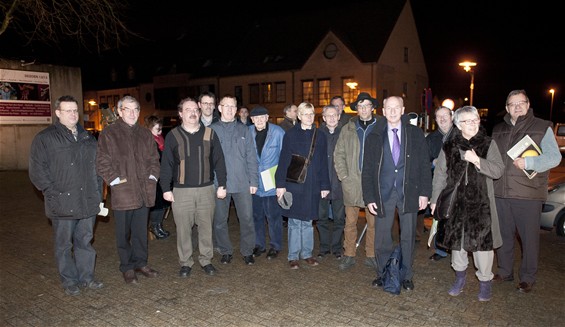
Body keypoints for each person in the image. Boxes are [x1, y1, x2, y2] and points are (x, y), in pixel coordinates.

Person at [29, 95, 104, 296]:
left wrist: (99, 196)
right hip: (62, 202)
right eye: (68, 110)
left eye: (74, 110)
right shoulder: (45, 138)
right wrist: (52, 192)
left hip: (87, 201)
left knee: (85, 241)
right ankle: (69, 280)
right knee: (64, 245)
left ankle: (86, 277)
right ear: (58, 113)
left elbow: (96, 169)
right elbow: (37, 170)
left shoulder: (88, 138)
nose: (72, 114)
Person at [430, 106, 505, 301]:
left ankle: (485, 282)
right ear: (458, 124)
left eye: (475, 120)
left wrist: (477, 160)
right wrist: (435, 200)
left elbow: (498, 170)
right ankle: (460, 278)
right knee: (458, 246)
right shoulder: (449, 146)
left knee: (483, 249)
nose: (473, 124)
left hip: (482, 206)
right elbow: (440, 174)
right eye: (467, 121)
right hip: (456, 205)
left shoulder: (488, 144)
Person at [492, 89, 561, 293]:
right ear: (507, 108)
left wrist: (530, 161)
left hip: (528, 195)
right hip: (501, 193)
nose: (517, 107)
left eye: (521, 103)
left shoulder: (542, 127)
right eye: (513, 104)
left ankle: (528, 278)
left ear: (528, 105)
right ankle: (505, 272)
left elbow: (553, 158)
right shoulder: (498, 129)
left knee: (529, 239)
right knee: (503, 236)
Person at [362, 95, 431, 291]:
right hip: (383, 194)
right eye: (389, 108)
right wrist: (369, 197)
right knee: (382, 237)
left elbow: (425, 165)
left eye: (396, 108)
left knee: (408, 236)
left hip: (408, 192)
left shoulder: (415, 133)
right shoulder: (375, 134)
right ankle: (383, 273)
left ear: (403, 110)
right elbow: (367, 170)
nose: (392, 111)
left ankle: (406, 275)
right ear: (383, 111)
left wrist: (425, 193)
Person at [160, 97, 227, 277]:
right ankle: (186, 262)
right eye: (188, 110)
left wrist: (222, 184)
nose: (193, 113)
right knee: (183, 229)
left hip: (206, 189)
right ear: (180, 114)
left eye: (195, 110)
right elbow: (166, 164)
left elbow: (219, 161)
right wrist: (165, 188)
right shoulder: (173, 136)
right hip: (181, 192)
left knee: (206, 227)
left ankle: (206, 260)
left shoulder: (210, 134)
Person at [96, 95, 161, 284]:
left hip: (143, 191)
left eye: (136, 109)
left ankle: (141, 262)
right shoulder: (109, 134)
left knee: (141, 231)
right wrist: (115, 181)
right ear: (119, 111)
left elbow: (154, 159)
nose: (132, 113)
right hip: (123, 192)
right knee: (123, 233)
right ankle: (127, 267)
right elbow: (102, 162)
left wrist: (152, 177)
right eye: (128, 109)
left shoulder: (145, 134)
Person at [275, 102, 330, 269]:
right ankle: (293, 256)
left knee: (307, 221)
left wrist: (324, 185)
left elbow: (322, 163)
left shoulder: (320, 135)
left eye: (311, 114)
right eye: (305, 114)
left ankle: (307, 253)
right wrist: (280, 184)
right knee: (294, 221)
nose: (309, 117)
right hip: (294, 184)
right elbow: (283, 160)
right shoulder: (290, 135)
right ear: (298, 116)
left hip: (312, 185)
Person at [210, 95, 259, 265]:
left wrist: (254, 182)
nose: (230, 110)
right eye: (227, 106)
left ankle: (247, 251)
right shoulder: (211, 130)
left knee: (246, 219)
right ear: (220, 108)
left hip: (242, 183)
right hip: (219, 184)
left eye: (233, 106)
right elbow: (208, 160)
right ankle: (225, 250)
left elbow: (251, 157)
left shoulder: (244, 129)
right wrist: (214, 184)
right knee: (220, 220)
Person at [334, 92, 380, 270]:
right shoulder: (348, 127)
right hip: (352, 181)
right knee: (350, 222)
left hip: (373, 183)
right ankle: (349, 254)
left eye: (367, 105)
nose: (364, 109)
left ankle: (371, 254)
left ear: (372, 108)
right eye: (360, 106)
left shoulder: (380, 126)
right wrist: (344, 176)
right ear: (356, 109)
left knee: (373, 223)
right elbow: (339, 154)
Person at [249, 106, 285, 259]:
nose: (259, 120)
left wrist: (281, 183)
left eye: (262, 117)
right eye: (256, 118)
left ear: (267, 117)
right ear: (251, 120)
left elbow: (284, 158)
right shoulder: (247, 132)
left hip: (272, 181)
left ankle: (275, 246)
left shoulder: (278, 132)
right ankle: (259, 245)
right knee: (256, 216)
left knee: (273, 217)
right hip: (254, 182)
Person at [426, 106, 454, 261]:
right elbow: (424, 160)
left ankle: (456, 250)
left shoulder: (462, 134)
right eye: (439, 117)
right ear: (435, 120)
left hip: (457, 183)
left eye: (445, 116)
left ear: (452, 117)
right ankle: (441, 249)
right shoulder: (430, 139)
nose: (442, 119)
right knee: (439, 217)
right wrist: (433, 162)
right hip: (439, 183)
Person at [317, 105, 345, 259]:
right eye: (329, 115)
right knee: (321, 218)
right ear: (324, 118)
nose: (332, 118)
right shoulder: (318, 134)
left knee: (339, 218)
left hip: (339, 184)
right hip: (322, 183)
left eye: (335, 115)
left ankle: (336, 248)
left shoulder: (345, 133)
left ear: (339, 116)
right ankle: (324, 247)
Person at [144, 115, 170, 240]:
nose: (160, 132)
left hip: (162, 176)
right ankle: (154, 227)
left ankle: (158, 225)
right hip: (153, 177)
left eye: (160, 129)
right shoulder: (147, 141)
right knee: (157, 204)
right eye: (157, 129)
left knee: (163, 204)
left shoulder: (160, 140)